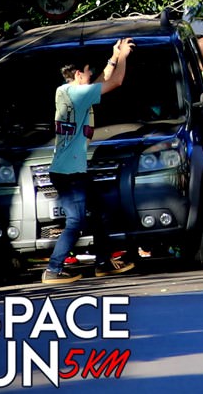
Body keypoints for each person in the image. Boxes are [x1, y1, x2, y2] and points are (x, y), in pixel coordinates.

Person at [43, 38, 137, 284]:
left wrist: (113, 57)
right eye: (88, 72)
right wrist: (124, 56)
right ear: (78, 74)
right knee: (76, 222)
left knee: (100, 213)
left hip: (70, 170)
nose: (91, 76)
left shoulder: (66, 91)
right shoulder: (78, 94)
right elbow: (115, 82)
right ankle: (53, 269)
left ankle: (103, 263)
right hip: (70, 173)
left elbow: (100, 81)